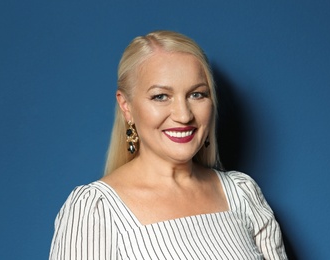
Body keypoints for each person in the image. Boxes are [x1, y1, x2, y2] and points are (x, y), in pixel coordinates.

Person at [49, 30, 288, 260]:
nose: (184, 115)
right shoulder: (95, 210)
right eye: (161, 96)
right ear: (126, 106)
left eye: (197, 94)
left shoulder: (242, 193)